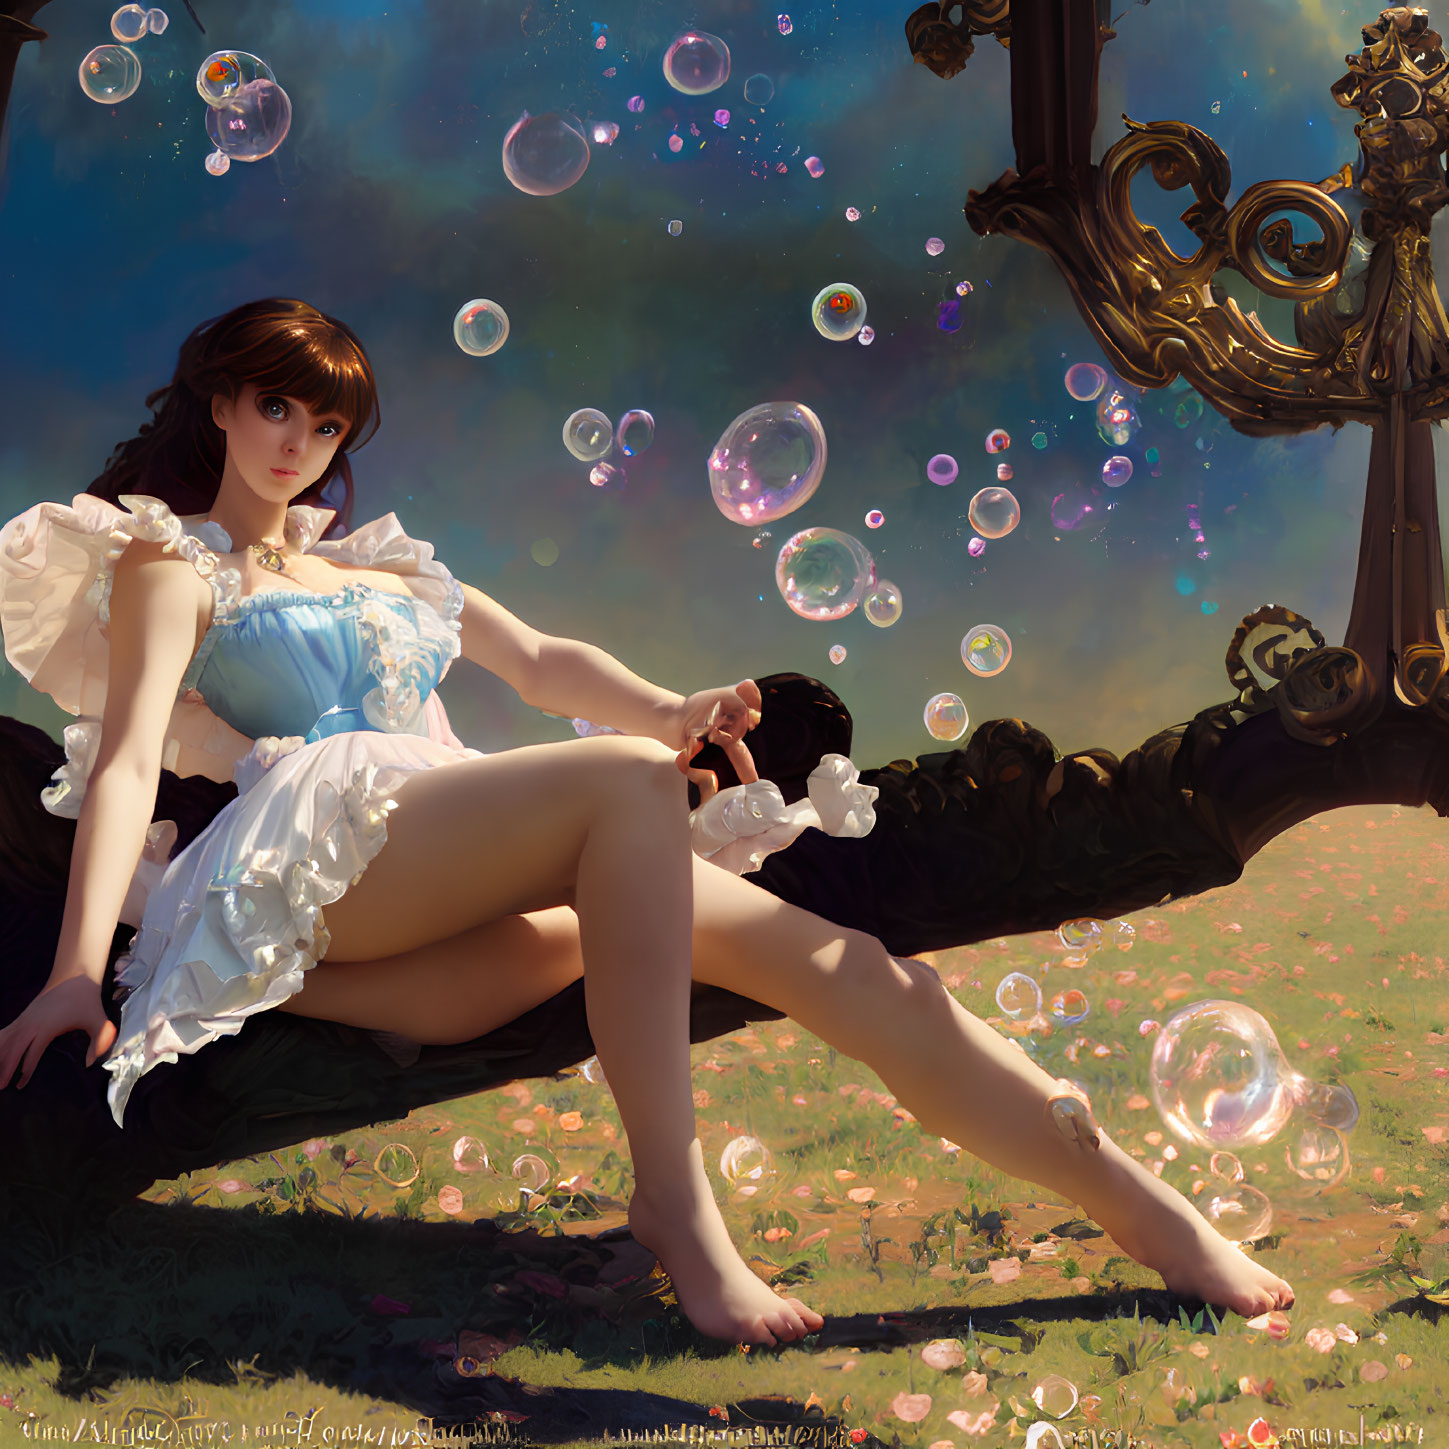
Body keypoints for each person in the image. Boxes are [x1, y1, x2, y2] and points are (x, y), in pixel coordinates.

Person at [0, 298, 1294, 1348]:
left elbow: (545, 661)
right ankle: (676, 1205)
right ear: (218, 402)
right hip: (307, 860)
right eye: (273, 404)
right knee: (625, 779)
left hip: (461, 899)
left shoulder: (379, 564)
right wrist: (72, 973)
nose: (295, 438)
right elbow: (123, 766)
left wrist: (672, 701)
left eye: (323, 418)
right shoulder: (169, 561)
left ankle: (1147, 1212)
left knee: (853, 971)